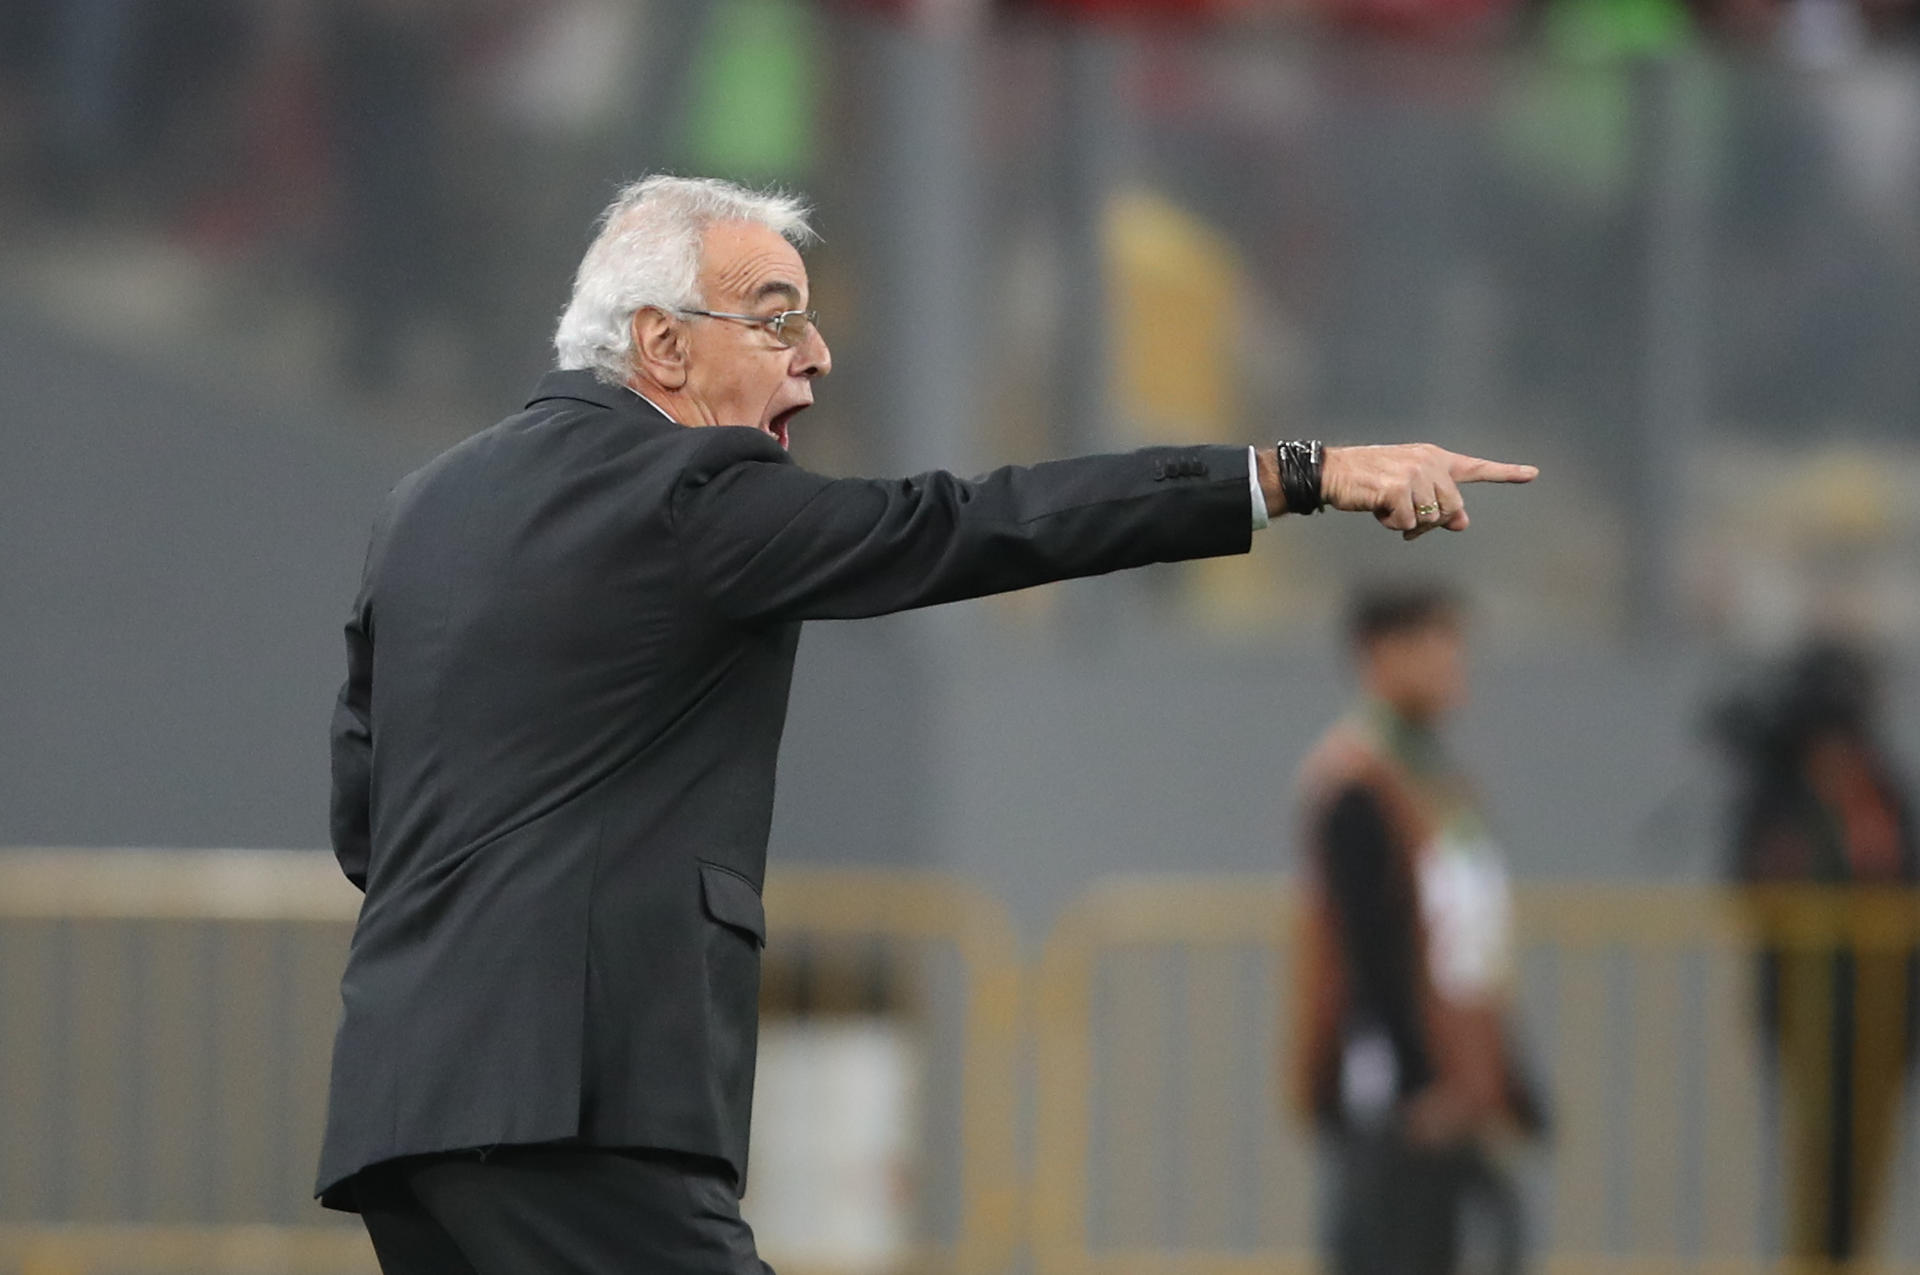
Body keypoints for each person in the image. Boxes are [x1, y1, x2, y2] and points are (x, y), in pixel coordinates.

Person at [316, 174, 1537, 1275]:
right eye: (780, 316)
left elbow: (368, 820)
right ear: (663, 347)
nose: (820, 355)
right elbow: (979, 522)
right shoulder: (692, 491)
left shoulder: (422, 508)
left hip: (401, 1118)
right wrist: (1299, 471)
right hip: (577, 1113)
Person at [1291, 584, 1545, 1275]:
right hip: (1395, 1085)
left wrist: (1508, 1074)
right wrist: (1416, 1078)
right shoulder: (1356, 780)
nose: (1453, 663)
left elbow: (1469, 937)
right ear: (1380, 652)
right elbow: (1370, 942)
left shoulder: (1435, 779)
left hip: (1450, 1075)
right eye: (1435, 643)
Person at [1718, 639, 1918, 1262]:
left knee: (1868, 1161)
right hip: (1811, 1007)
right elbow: (1758, 881)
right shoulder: (1780, 794)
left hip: (1889, 1007)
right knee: (1819, 1162)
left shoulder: (1880, 783)